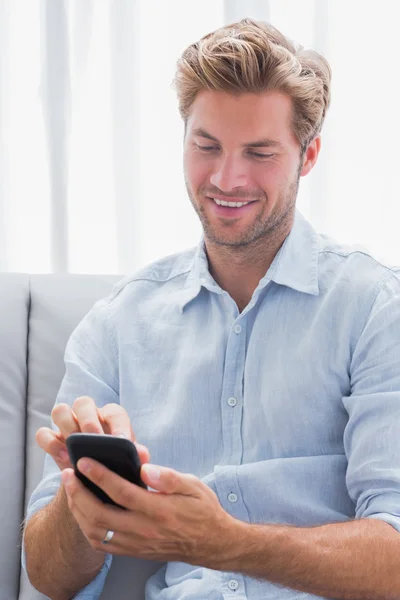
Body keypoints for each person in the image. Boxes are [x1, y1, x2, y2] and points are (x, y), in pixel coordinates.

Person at [23, 18, 400, 600]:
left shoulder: (375, 309)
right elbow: (46, 576)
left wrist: (225, 541)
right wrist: (85, 495)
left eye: (260, 152)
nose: (227, 178)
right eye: (207, 146)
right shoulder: (118, 324)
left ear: (309, 155)